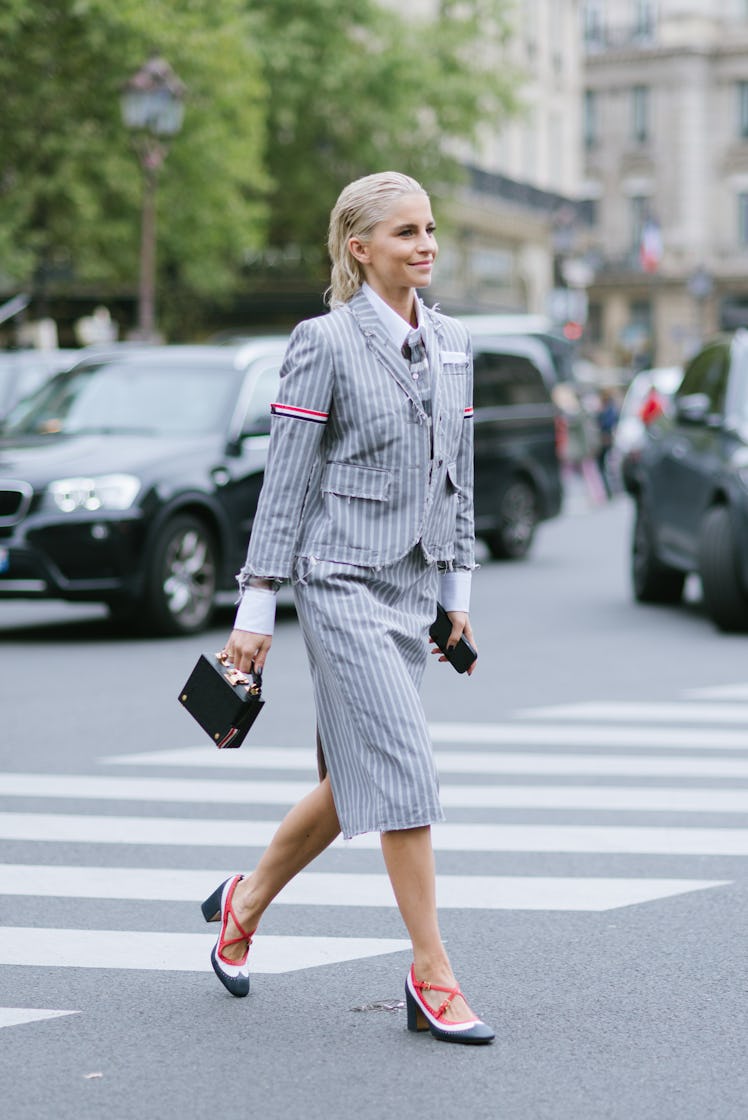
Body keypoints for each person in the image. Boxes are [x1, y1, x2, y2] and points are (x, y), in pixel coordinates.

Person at [201, 171, 494, 1045]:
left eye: (430, 228)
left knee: (350, 781)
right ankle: (432, 974)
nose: (426, 244)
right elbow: (285, 483)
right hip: (338, 582)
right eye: (405, 232)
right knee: (403, 767)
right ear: (359, 247)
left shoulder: (453, 342)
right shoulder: (321, 341)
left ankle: (242, 904)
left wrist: (456, 594)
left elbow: (460, 478)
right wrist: (255, 608)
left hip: (409, 589)